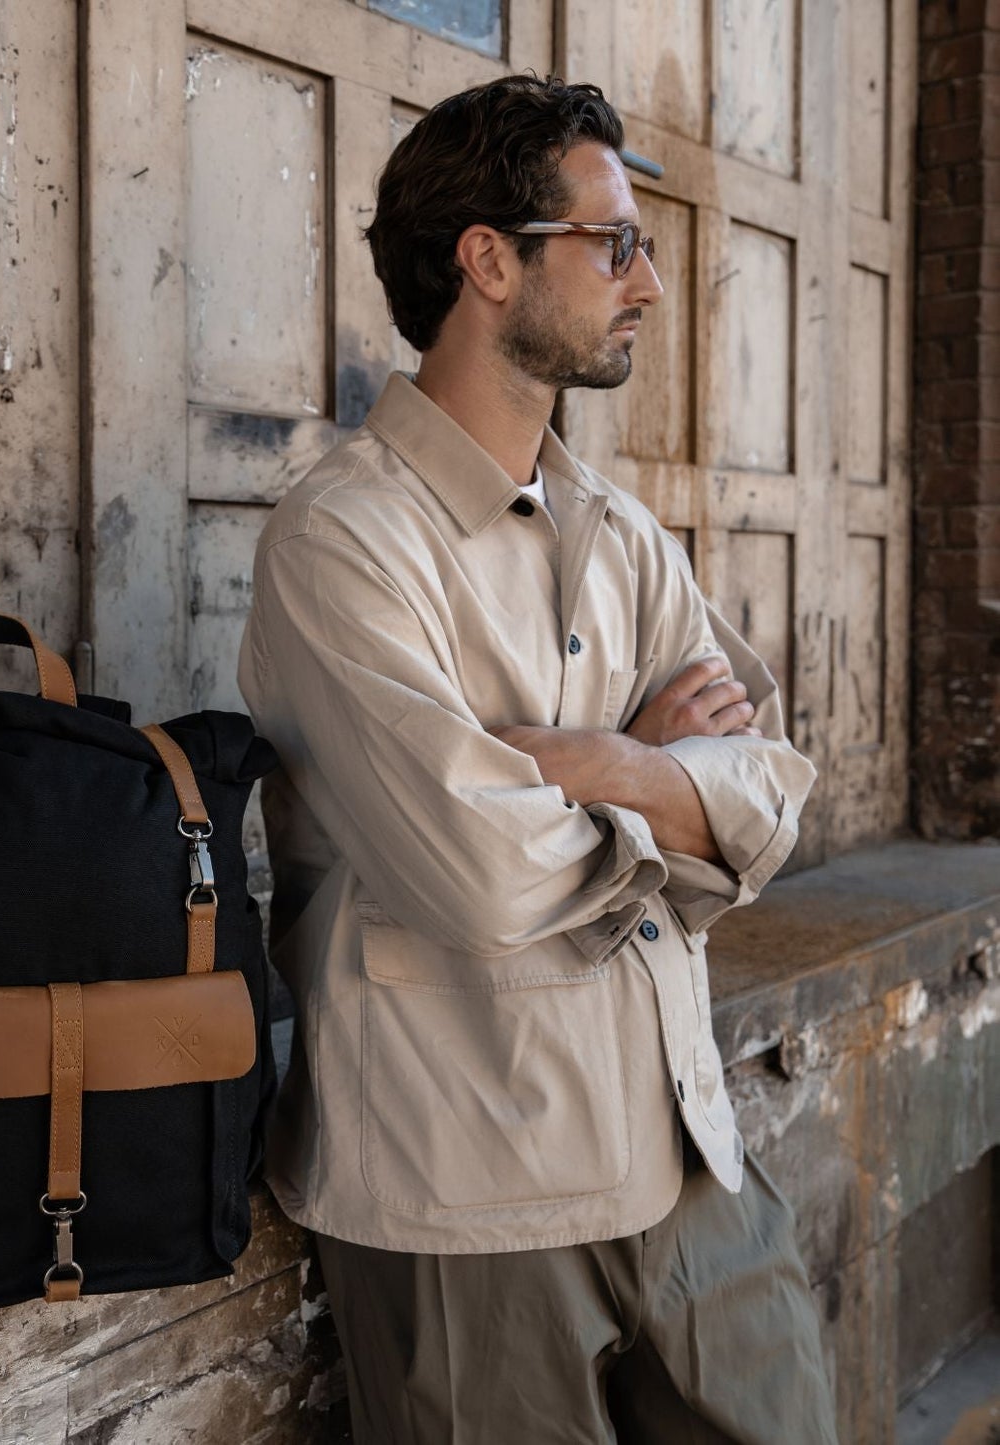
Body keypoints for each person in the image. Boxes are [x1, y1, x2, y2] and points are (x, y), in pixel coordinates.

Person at [236, 74, 838, 1443]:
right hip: (467, 1186)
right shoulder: (342, 543)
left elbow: (769, 802)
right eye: (614, 243)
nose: (649, 284)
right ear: (489, 260)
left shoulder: (620, 533)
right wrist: (673, 799)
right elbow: (483, 873)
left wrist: (603, 767)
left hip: (684, 1147)